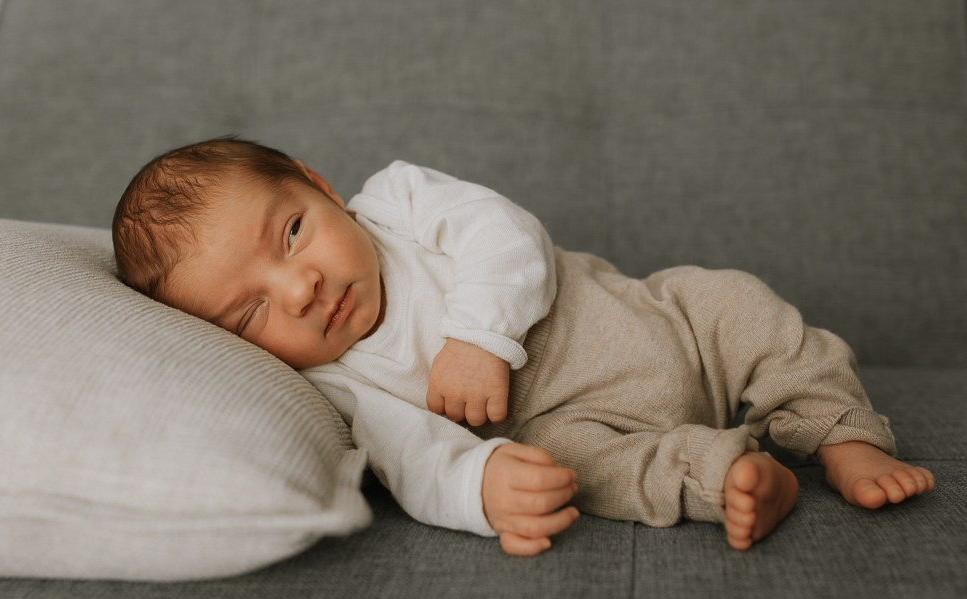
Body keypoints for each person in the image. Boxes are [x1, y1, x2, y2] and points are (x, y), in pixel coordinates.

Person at [112, 138, 935, 556]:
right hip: (578, 418)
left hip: (652, 318)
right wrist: (479, 487)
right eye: (252, 313)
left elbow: (504, 233)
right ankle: (736, 479)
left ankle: (841, 432)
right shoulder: (334, 382)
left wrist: (479, 338)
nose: (300, 289)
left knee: (743, 306)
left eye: (292, 232)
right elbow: (414, 457)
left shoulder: (398, 203)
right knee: (593, 472)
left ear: (319, 186)